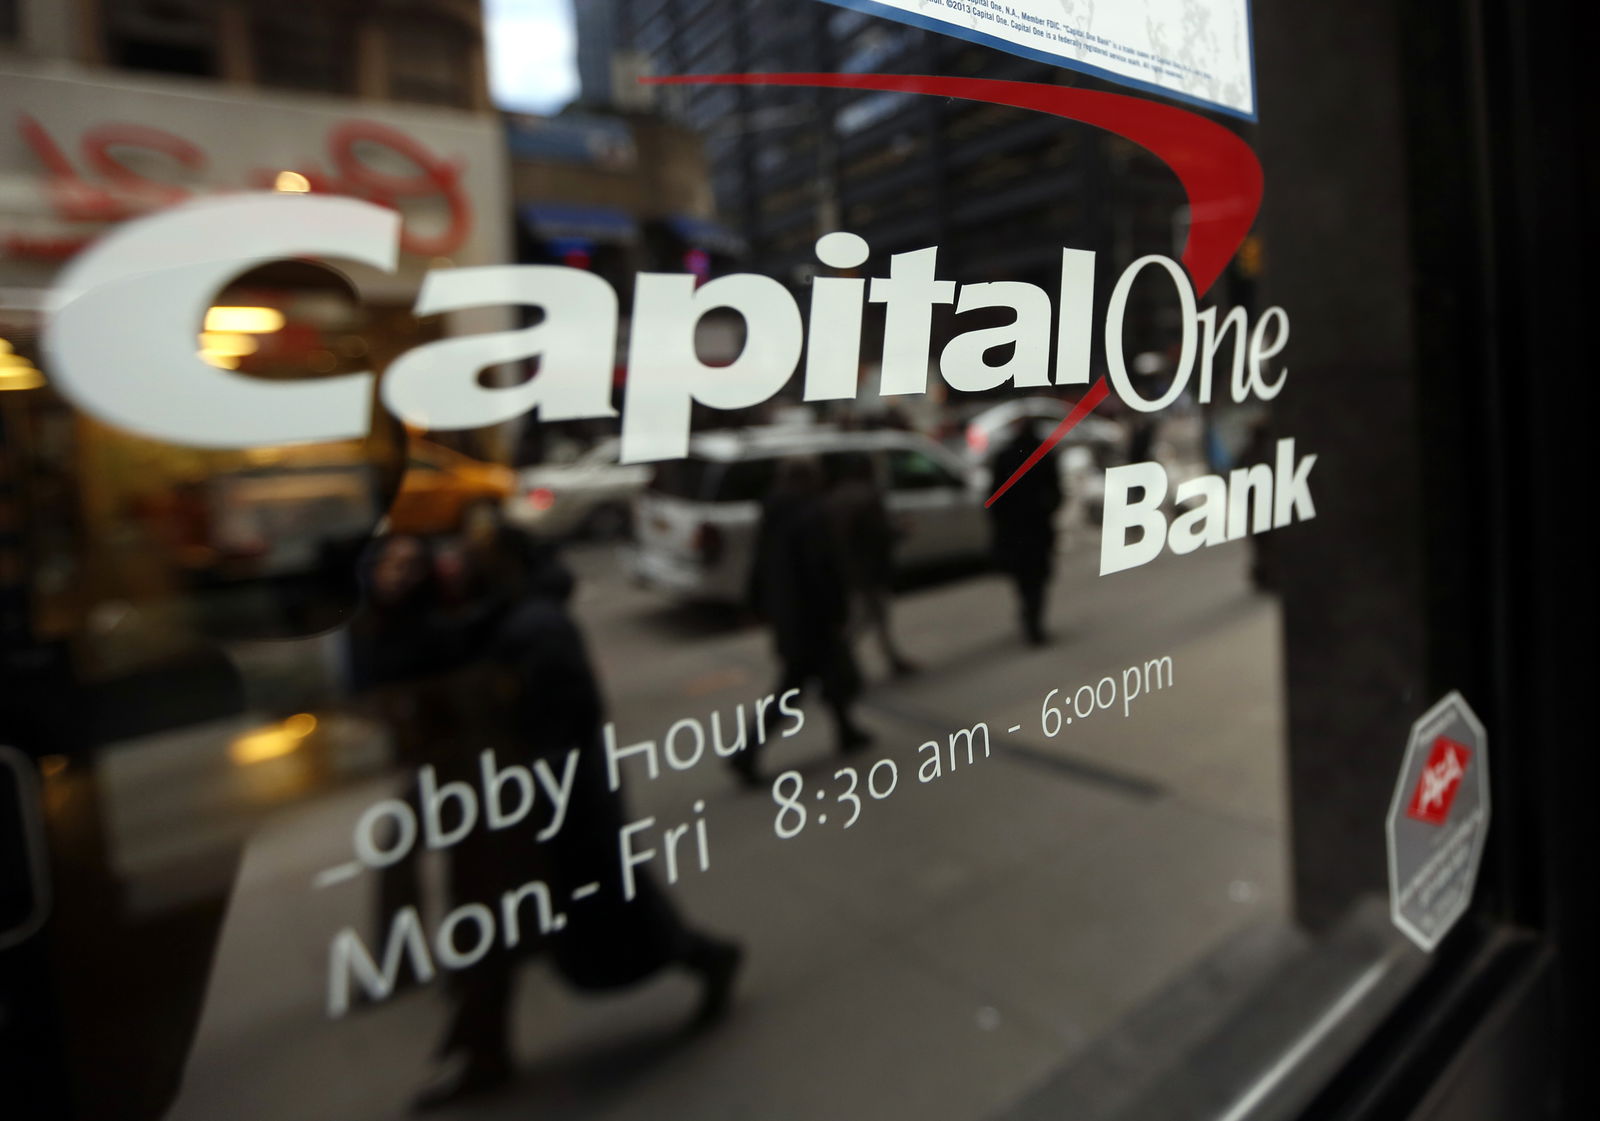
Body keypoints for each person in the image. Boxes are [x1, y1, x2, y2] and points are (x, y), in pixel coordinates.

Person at [414, 532, 743, 1111]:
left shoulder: (535, 628)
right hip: (521, 806)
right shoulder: (502, 622)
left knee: (611, 915)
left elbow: (562, 721)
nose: (457, 569)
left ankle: (706, 957)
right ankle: (482, 1049)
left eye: (469, 560)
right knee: (509, 934)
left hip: (551, 806)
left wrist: (539, 795)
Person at [732, 457, 870, 787]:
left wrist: (757, 605)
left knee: (828, 678)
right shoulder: (810, 514)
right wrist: (837, 610)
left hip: (789, 615)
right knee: (798, 686)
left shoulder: (774, 513)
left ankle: (846, 730)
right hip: (813, 617)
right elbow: (822, 568)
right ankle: (746, 752)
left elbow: (760, 564)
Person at [825, 453, 916, 676]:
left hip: (847, 567)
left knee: (870, 615)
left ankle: (889, 658)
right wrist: (902, 530)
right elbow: (879, 533)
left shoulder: (835, 496)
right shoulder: (867, 496)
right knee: (868, 616)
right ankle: (839, 659)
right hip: (868, 567)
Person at [986, 419, 1063, 645]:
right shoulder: (1043, 455)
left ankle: (1030, 618)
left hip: (1018, 530)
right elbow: (1056, 493)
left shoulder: (1006, 456)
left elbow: (995, 498)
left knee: (1025, 579)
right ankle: (1033, 620)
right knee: (1036, 579)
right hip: (1035, 528)